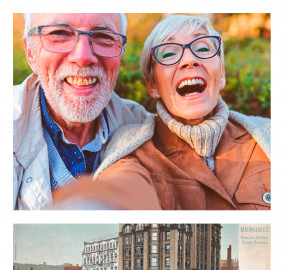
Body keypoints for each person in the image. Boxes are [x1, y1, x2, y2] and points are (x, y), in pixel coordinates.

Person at [54, 14, 270, 210]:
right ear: (153, 85)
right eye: (169, 53)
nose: (189, 60)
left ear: (221, 74)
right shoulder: (133, 150)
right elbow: (122, 188)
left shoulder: (268, 135)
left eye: (203, 49)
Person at [13, 13, 153, 210]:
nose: (83, 57)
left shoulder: (142, 127)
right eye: (59, 33)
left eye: (103, 36)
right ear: (30, 51)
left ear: (121, 52)